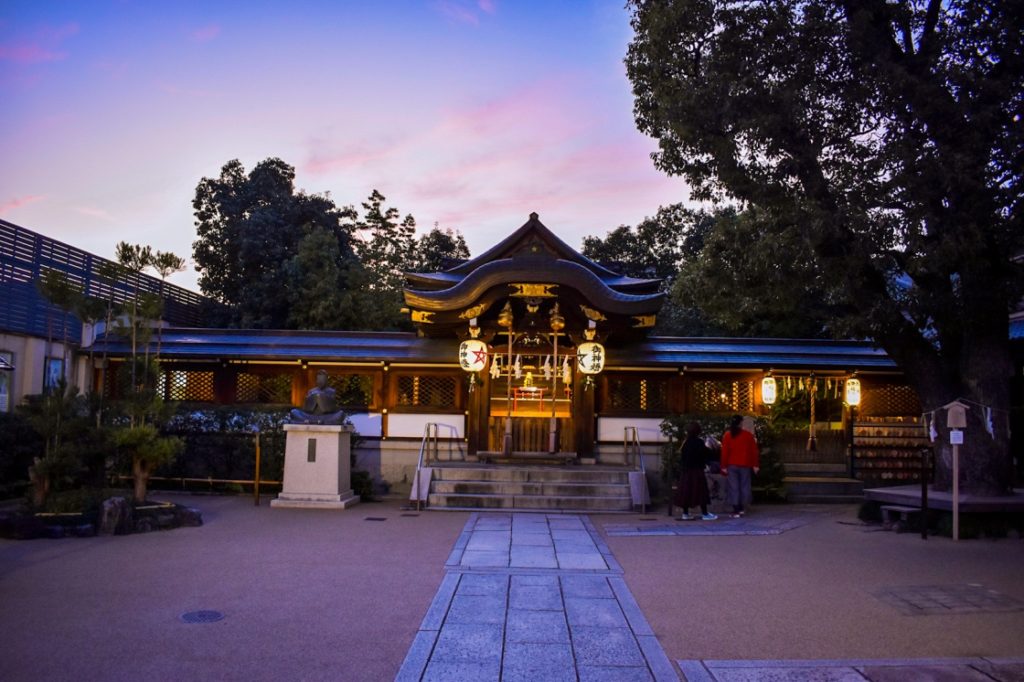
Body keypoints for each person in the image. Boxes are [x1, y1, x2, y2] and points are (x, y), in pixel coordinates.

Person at [674, 422, 717, 521]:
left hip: (686, 470)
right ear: (698, 431)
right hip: (697, 470)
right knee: (701, 491)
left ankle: (685, 513)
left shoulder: (685, 442)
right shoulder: (699, 442)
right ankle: (705, 513)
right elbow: (706, 454)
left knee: (686, 491)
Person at [720, 414, 759, 518]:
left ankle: (736, 508)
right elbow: (754, 451)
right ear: (741, 423)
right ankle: (743, 506)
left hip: (731, 464)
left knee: (734, 487)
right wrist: (755, 464)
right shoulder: (748, 435)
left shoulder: (728, 435)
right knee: (745, 486)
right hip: (745, 464)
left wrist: (723, 465)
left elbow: (724, 452)